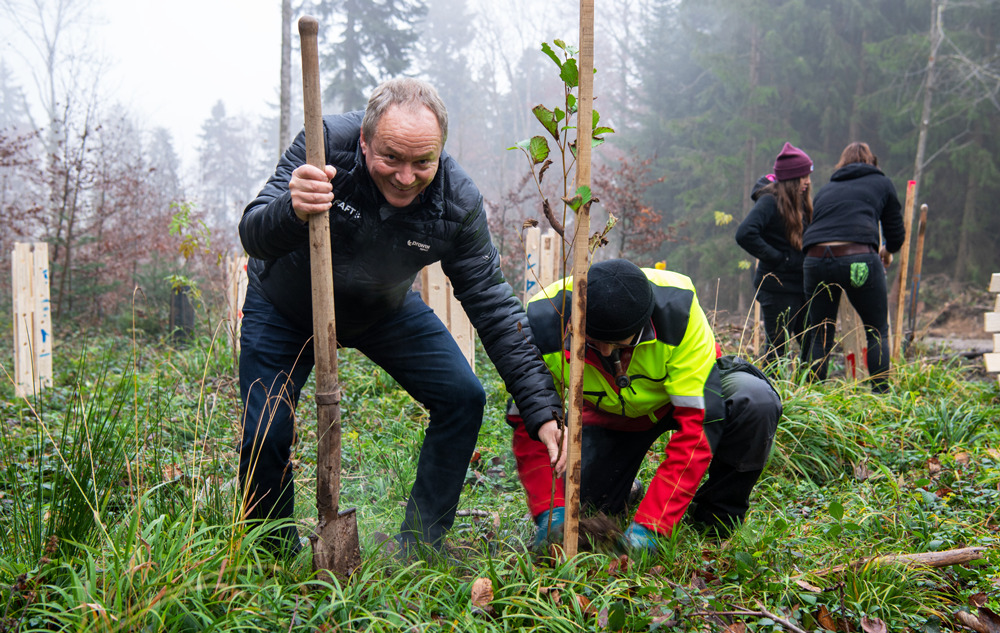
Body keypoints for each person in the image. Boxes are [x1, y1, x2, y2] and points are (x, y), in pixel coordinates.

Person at [237, 77, 562, 555]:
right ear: (364, 141)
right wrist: (292, 208)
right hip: (285, 305)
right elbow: (253, 233)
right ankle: (271, 553)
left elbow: (492, 303)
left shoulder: (457, 203)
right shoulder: (322, 143)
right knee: (266, 428)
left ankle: (419, 545)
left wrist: (541, 407)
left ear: (440, 153)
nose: (406, 176)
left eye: (422, 162)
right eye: (391, 157)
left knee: (464, 397)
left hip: (380, 309)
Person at [507, 259, 782, 551]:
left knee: (754, 400)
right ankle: (630, 491)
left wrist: (654, 524)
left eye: (620, 344)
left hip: (682, 399)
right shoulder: (544, 319)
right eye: (593, 340)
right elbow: (530, 419)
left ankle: (714, 516)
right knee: (586, 501)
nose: (605, 352)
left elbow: (698, 426)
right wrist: (550, 510)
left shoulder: (679, 311)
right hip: (610, 416)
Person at [800, 141, 905, 393]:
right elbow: (896, 233)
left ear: (841, 163)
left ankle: (812, 402)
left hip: (815, 261)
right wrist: (887, 253)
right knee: (876, 329)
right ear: (872, 161)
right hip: (858, 261)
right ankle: (881, 397)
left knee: (820, 333)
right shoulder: (882, 183)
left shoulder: (827, 189)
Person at [735, 142, 814, 369]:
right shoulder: (770, 201)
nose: (807, 181)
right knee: (778, 350)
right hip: (776, 288)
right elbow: (745, 233)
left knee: (812, 342)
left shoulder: (801, 202)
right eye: (803, 177)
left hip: (802, 287)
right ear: (790, 179)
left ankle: (810, 393)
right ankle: (771, 397)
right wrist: (780, 259)